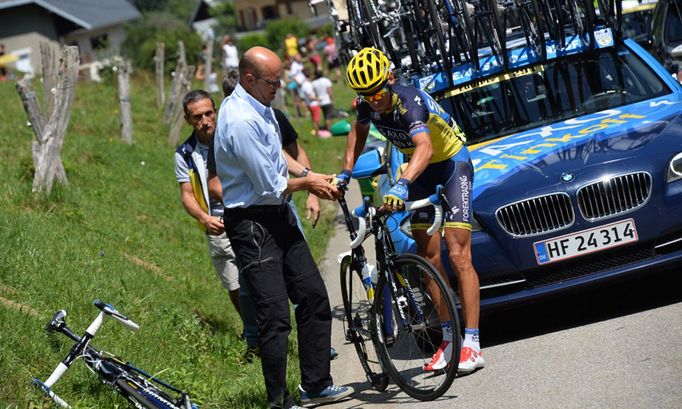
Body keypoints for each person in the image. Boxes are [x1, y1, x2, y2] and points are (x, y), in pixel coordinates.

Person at [213, 46, 353, 408]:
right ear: (249, 79)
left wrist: (310, 174)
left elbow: (278, 157)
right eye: (273, 82)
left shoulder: (262, 108)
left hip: (278, 214)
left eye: (280, 80)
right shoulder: (240, 121)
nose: (279, 87)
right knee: (275, 317)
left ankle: (316, 384)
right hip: (252, 224)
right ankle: (279, 401)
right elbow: (268, 186)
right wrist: (310, 187)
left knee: (313, 296)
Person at [336, 47, 484, 375]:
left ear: (389, 79)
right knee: (427, 257)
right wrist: (345, 172)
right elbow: (356, 135)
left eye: (377, 90)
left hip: (450, 165)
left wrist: (401, 185)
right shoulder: (366, 105)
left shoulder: (409, 102)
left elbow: (425, 147)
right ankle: (449, 339)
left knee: (459, 255)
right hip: (418, 171)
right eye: (365, 94)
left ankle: (472, 344)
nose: (373, 99)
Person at [174, 89, 244, 336]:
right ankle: (251, 330)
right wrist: (205, 218)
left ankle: (271, 329)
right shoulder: (184, 153)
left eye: (208, 113)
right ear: (188, 120)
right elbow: (186, 194)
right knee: (233, 281)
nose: (205, 121)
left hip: (247, 214)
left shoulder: (234, 135)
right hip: (217, 223)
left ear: (216, 112)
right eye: (197, 117)